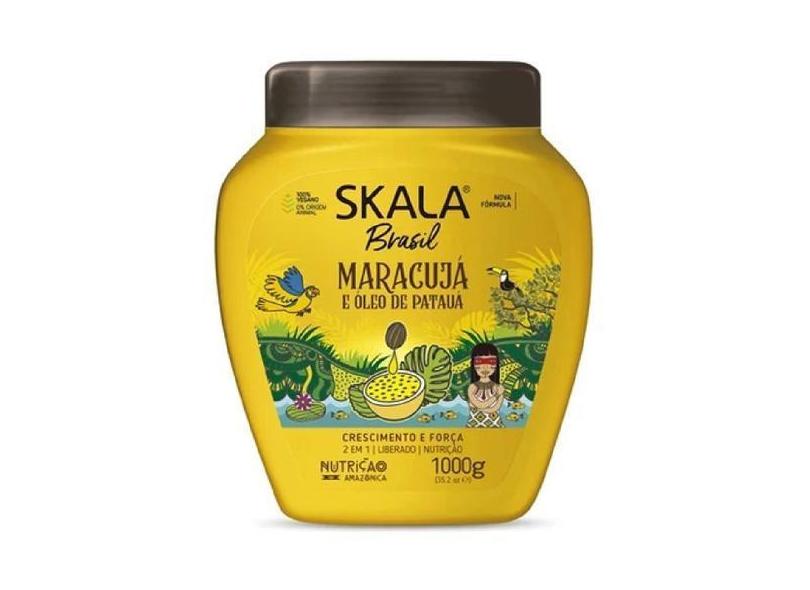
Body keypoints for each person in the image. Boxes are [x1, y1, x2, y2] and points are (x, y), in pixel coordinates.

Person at [466, 343, 505, 428]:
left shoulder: (498, 387)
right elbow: (480, 405)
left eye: (491, 362)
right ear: (473, 364)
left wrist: (481, 410)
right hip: (474, 427)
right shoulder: (472, 387)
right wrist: (497, 395)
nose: (485, 367)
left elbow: (495, 408)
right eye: (479, 362)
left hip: (496, 426)